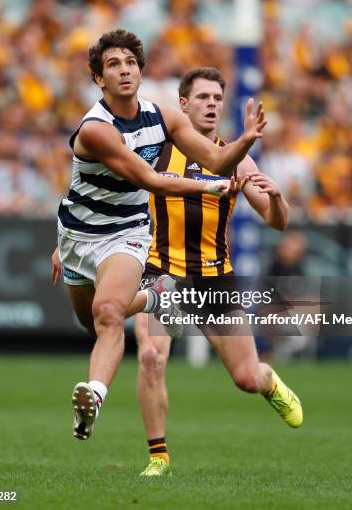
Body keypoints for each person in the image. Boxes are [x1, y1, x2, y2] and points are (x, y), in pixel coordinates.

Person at [55, 29, 266, 443]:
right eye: (113, 65)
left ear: (140, 70)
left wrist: (244, 142)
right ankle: (156, 296)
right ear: (99, 79)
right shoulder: (96, 129)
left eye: (130, 63)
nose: (124, 70)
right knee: (90, 322)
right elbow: (151, 179)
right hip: (78, 235)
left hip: (128, 232)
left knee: (109, 314)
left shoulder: (165, 116)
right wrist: (208, 187)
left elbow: (219, 159)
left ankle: (93, 397)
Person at [130, 67, 302, 477]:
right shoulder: (155, 150)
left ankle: (270, 383)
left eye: (217, 98)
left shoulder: (236, 158)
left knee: (245, 377)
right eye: (203, 98)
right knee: (151, 355)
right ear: (183, 105)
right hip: (160, 272)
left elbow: (277, 221)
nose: (211, 105)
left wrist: (276, 199)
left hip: (212, 278)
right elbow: (111, 194)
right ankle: (158, 457)